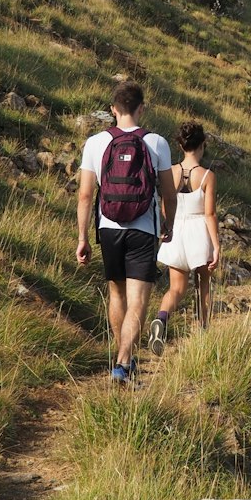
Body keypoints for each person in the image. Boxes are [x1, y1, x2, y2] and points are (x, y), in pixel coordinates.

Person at [77, 81, 176, 382]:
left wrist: (82, 238)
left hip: (108, 228)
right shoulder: (157, 143)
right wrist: (167, 224)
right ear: (141, 108)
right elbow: (169, 194)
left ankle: (122, 360)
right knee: (138, 301)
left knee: (116, 294)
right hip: (143, 230)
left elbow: (84, 196)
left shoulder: (95, 143)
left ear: (113, 110)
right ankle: (123, 361)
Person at [148, 121, 220, 354]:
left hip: (176, 230)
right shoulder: (208, 176)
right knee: (203, 286)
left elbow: (165, 204)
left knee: (176, 289)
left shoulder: (171, 171)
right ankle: (202, 332)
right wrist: (217, 246)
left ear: (180, 145)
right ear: (202, 145)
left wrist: (164, 229)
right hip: (200, 232)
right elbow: (210, 213)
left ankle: (161, 318)